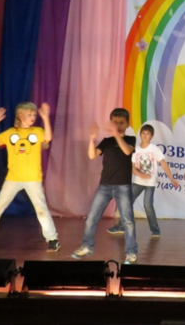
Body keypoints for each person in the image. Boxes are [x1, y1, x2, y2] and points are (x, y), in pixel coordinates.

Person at [0, 102, 60, 252]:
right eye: (29, 114)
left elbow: (48, 138)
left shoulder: (37, 131)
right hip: (13, 178)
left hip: (32, 178)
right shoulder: (11, 133)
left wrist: (45, 118)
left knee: (41, 209)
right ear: (20, 116)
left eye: (34, 114)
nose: (33, 117)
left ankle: (52, 239)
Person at [71, 109, 138, 264]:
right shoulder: (107, 141)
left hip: (123, 187)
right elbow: (92, 155)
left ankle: (131, 252)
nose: (118, 126)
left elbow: (127, 151)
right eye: (115, 123)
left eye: (121, 123)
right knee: (91, 218)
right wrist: (92, 139)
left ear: (128, 124)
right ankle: (87, 246)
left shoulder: (130, 139)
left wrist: (116, 135)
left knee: (128, 221)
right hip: (105, 186)